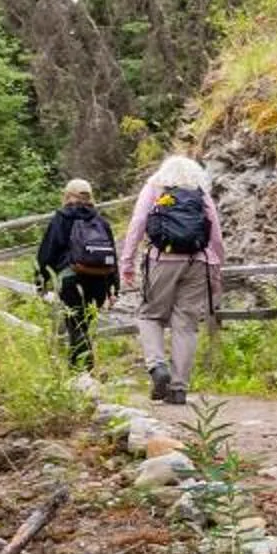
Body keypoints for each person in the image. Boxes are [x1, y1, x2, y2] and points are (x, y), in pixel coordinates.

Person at [119, 153, 226, 404]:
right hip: (198, 261)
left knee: (149, 315)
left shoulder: (155, 187)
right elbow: (216, 233)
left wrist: (127, 261)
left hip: (162, 260)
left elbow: (138, 223)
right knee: (186, 324)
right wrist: (216, 266)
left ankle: (157, 367)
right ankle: (178, 389)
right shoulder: (200, 192)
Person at [32, 179, 118, 368]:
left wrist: (40, 281)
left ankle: (84, 370)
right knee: (84, 325)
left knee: (76, 325)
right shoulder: (100, 221)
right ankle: (79, 369)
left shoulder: (61, 218)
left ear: (67, 195)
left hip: (71, 279)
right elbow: (112, 256)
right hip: (99, 280)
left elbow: (47, 253)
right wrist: (113, 287)